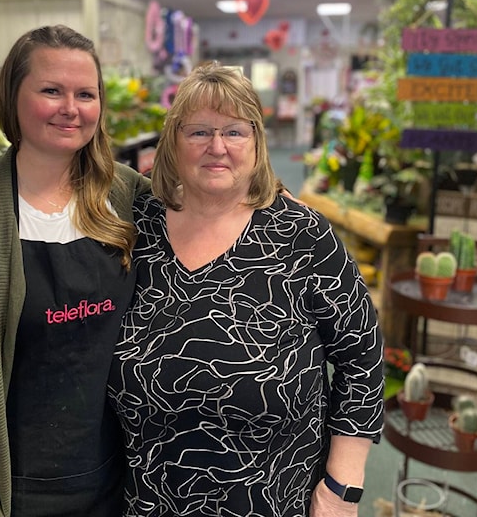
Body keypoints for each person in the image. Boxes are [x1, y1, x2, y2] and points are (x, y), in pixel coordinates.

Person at [108, 62, 385, 517]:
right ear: (173, 141)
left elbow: (362, 357)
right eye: (199, 132)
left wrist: (340, 490)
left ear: (257, 142)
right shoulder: (139, 230)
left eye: (235, 132)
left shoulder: (302, 237)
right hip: (149, 499)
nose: (217, 147)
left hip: (275, 499)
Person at [0, 24, 151, 517]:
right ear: (12, 98)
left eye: (86, 93)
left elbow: (211, 218)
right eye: (50, 91)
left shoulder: (130, 196)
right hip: (15, 488)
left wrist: (271, 204)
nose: (71, 108)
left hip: (120, 478)